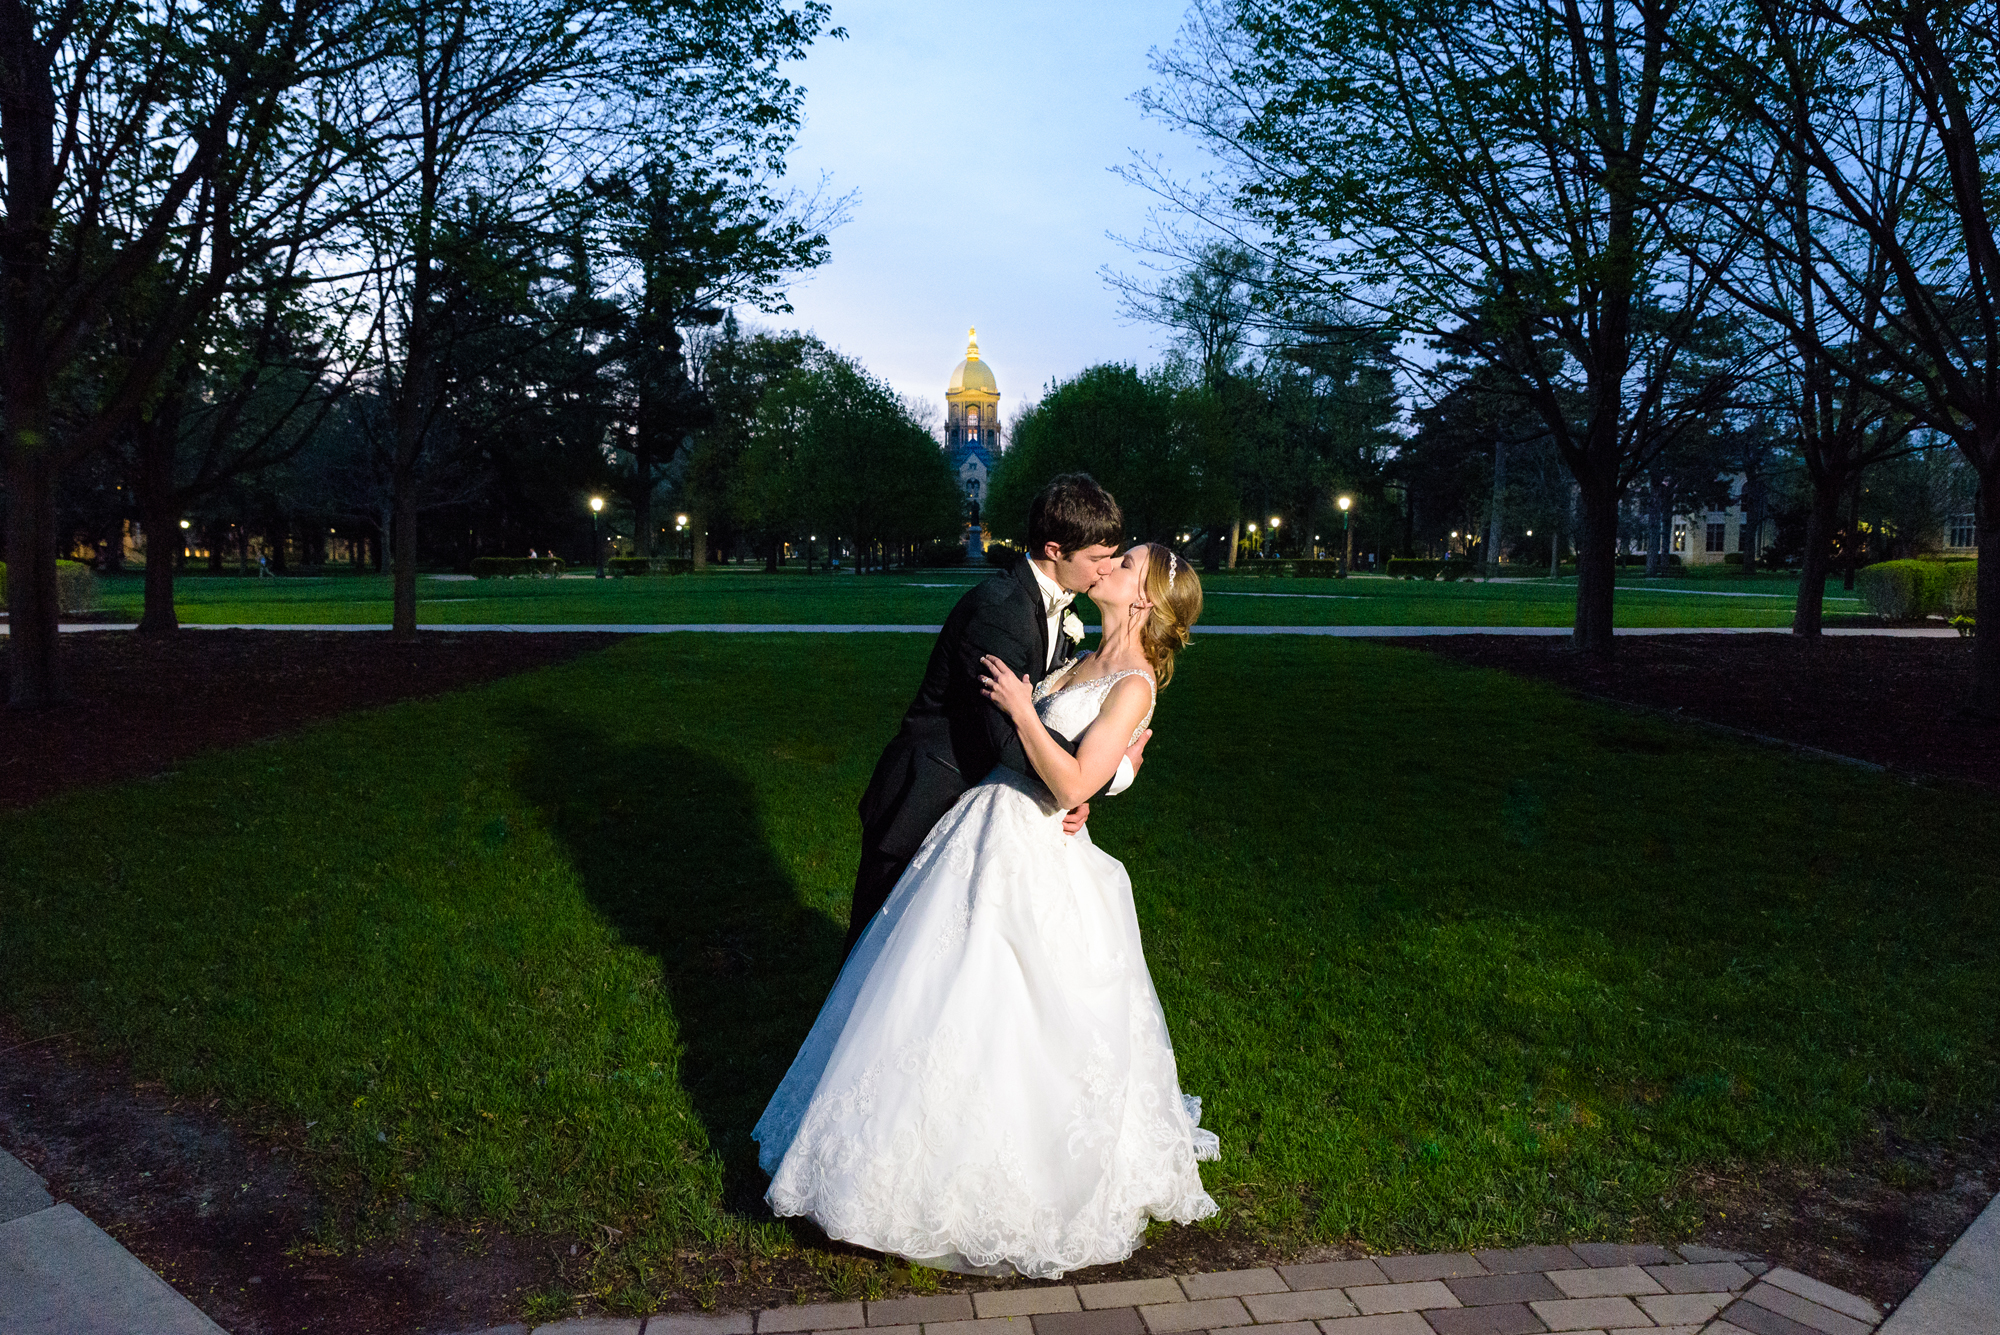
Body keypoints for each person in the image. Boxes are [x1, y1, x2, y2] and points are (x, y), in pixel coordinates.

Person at [753, 540, 1214, 1279]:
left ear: (1145, 600)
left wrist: (1030, 718)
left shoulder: (1131, 683)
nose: (1110, 568)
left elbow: (1067, 782)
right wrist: (1111, 767)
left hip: (1032, 847)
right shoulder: (1080, 657)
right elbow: (1090, 763)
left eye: (1125, 564)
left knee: (1006, 1004)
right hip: (985, 829)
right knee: (935, 995)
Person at [839, 473, 1147, 960]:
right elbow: (1007, 736)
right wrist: (1094, 778)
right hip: (926, 796)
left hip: (981, 804)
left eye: (1113, 557)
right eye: (1097, 558)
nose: (1107, 570)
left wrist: (1077, 782)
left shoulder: (1058, 610)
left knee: (933, 960)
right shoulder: (999, 610)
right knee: (872, 955)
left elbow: (1042, 716)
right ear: (1053, 548)